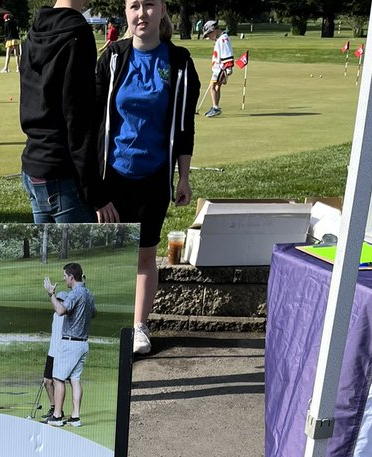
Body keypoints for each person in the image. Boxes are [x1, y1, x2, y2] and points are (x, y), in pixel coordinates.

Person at [95, 0, 200, 356]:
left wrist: (183, 177)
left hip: (154, 178)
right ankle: (111, 325)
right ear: (126, 12)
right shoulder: (111, 57)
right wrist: (95, 188)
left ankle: (139, 326)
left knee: (144, 256)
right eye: (134, 6)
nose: (142, 14)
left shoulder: (180, 63)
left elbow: (185, 128)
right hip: (113, 179)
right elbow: (93, 121)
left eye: (150, 5)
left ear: (164, 10)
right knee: (111, 258)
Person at [19, 0, 119, 224]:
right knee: (87, 258)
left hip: (33, 164)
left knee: (49, 259)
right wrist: (97, 195)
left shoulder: (34, 31)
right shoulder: (78, 33)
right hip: (62, 173)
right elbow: (79, 122)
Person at [41, 263, 95, 428]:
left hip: (70, 342)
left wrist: (51, 294)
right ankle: (75, 416)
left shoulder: (75, 293)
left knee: (58, 379)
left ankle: (57, 416)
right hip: (83, 344)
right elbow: (94, 313)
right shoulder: (88, 293)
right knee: (75, 379)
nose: (64, 279)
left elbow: (60, 311)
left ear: (72, 277)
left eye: (65, 276)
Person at [202, 19, 233, 116]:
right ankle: (216, 106)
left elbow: (227, 53)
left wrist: (228, 68)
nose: (209, 37)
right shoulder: (220, 39)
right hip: (218, 68)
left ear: (213, 30)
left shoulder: (223, 39)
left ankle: (215, 107)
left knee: (213, 87)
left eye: (208, 35)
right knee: (216, 87)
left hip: (220, 68)